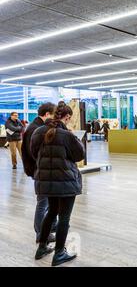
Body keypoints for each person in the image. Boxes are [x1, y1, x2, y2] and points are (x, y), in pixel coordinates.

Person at [31, 102, 85, 266]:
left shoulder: (38, 132)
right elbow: (78, 155)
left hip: (45, 181)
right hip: (65, 181)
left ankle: (42, 247)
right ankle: (60, 253)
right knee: (64, 217)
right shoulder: (66, 135)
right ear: (67, 117)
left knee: (51, 211)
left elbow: (34, 153)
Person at [22, 102, 58, 244]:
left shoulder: (35, 126)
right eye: (54, 115)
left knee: (46, 202)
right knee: (43, 203)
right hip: (39, 170)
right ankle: (40, 233)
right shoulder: (35, 129)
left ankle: (47, 229)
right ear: (47, 114)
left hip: (39, 169)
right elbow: (34, 152)